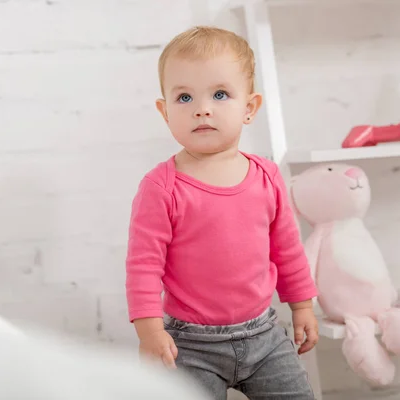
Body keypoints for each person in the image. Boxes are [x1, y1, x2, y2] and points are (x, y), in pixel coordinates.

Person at [125, 25, 319, 400]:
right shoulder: (161, 187)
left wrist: (302, 306)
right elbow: (144, 266)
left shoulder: (266, 175)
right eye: (184, 97)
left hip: (265, 336)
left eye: (219, 94)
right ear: (165, 111)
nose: (202, 108)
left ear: (249, 108)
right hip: (189, 345)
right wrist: (150, 332)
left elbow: (288, 249)